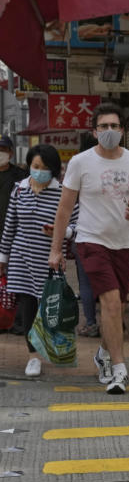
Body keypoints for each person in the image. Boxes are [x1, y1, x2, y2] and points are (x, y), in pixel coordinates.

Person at [48, 103, 129, 395]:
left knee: (117, 308)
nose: (110, 131)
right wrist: (55, 250)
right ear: (94, 132)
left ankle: (103, 354)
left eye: (115, 126)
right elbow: (64, 209)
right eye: (104, 127)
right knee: (108, 302)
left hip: (124, 245)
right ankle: (119, 369)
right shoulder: (81, 163)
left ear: (123, 130)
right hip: (91, 242)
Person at [0, 145, 78, 377]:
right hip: (21, 258)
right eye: (35, 167)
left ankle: (54, 348)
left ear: (53, 170)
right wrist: (3, 257)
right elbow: (10, 226)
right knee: (27, 307)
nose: (39, 172)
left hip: (49, 259)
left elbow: (76, 223)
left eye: (45, 168)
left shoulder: (62, 192)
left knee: (49, 307)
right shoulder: (19, 190)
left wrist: (62, 232)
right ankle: (33, 356)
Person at [2, 135, 31, 335]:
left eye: (3, 149)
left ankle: (19, 322)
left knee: (16, 280)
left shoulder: (21, 176)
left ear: (11, 152)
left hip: (15, 236)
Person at [74, 132, 100, 338]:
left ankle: (91, 323)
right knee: (113, 282)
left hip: (83, 235)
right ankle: (118, 322)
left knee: (86, 282)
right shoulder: (111, 167)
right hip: (112, 235)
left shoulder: (78, 167)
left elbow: (68, 207)